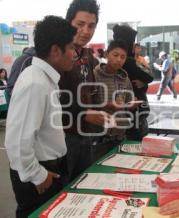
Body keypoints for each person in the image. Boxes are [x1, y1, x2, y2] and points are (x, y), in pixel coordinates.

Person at [5, 15, 76, 218]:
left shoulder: (45, 78)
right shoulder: (34, 82)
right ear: (55, 51)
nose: (74, 54)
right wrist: (37, 175)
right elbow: (17, 140)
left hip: (48, 169)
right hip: (39, 174)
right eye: (71, 48)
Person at [59, 0, 108, 182]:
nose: (86, 31)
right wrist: (83, 112)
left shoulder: (87, 55)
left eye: (91, 26)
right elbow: (53, 98)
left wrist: (107, 106)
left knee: (83, 184)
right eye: (80, 24)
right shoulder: (56, 55)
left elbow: (91, 92)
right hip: (62, 137)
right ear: (69, 23)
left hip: (86, 135)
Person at [92, 39, 137, 150]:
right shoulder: (94, 75)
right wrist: (108, 105)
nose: (118, 60)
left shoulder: (124, 78)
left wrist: (131, 105)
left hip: (121, 136)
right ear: (107, 54)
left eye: (123, 57)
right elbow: (87, 106)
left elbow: (128, 102)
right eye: (115, 55)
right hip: (99, 139)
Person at [113, 24, 154, 140]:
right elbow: (150, 76)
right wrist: (145, 82)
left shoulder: (112, 62)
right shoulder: (130, 62)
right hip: (135, 113)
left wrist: (143, 83)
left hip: (121, 113)